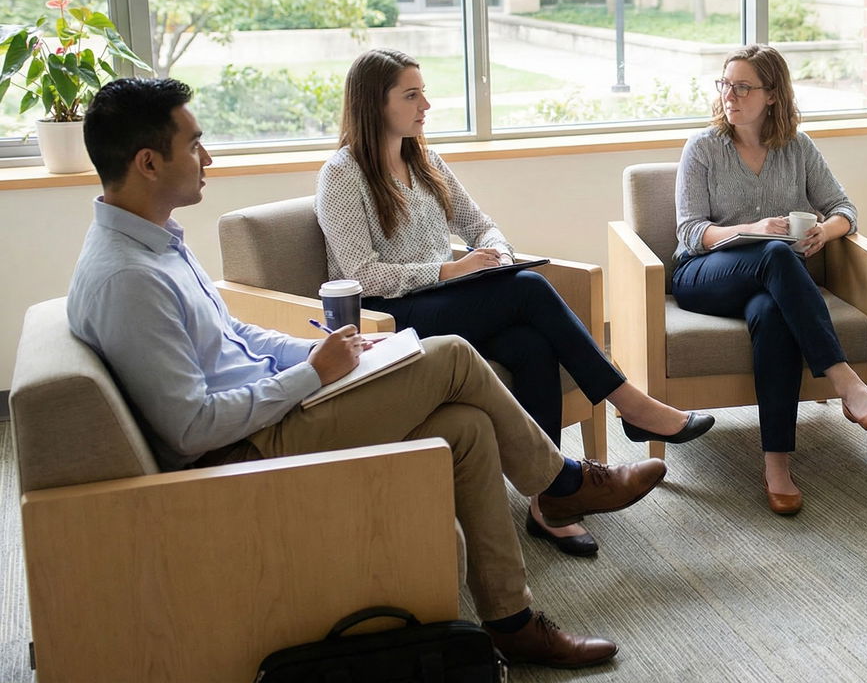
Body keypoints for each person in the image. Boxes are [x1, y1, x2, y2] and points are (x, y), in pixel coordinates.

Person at [68, 77, 666, 668]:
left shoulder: (157, 246)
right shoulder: (129, 278)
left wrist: (315, 355)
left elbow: (234, 337)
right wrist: (311, 378)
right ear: (148, 162)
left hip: (273, 410)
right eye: (194, 143)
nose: (209, 157)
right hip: (243, 455)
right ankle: (562, 481)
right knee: (454, 353)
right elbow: (191, 428)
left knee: (466, 427)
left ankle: (511, 621)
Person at [315, 49, 712, 557]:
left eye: (423, 91)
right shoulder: (342, 174)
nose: (426, 104)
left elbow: (481, 224)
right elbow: (360, 273)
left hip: (448, 300)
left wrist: (497, 253)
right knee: (528, 291)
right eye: (411, 95)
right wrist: (449, 270)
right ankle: (629, 404)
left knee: (530, 343)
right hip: (390, 316)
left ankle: (550, 501)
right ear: (374, 103)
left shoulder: (425, 159)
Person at [672, 43, 867, 514]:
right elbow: (691, 232)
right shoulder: (704, 148)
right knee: (774, 253)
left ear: (772, 94)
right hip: (704, 274)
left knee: (774, 317)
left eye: (743, 86)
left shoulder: (797, 147)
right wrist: (751, 230)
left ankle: (777, 462)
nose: (730, 95)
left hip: (771, 285)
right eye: (725, 84)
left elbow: (844, 210)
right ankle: (846, 382)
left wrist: (824, 232)